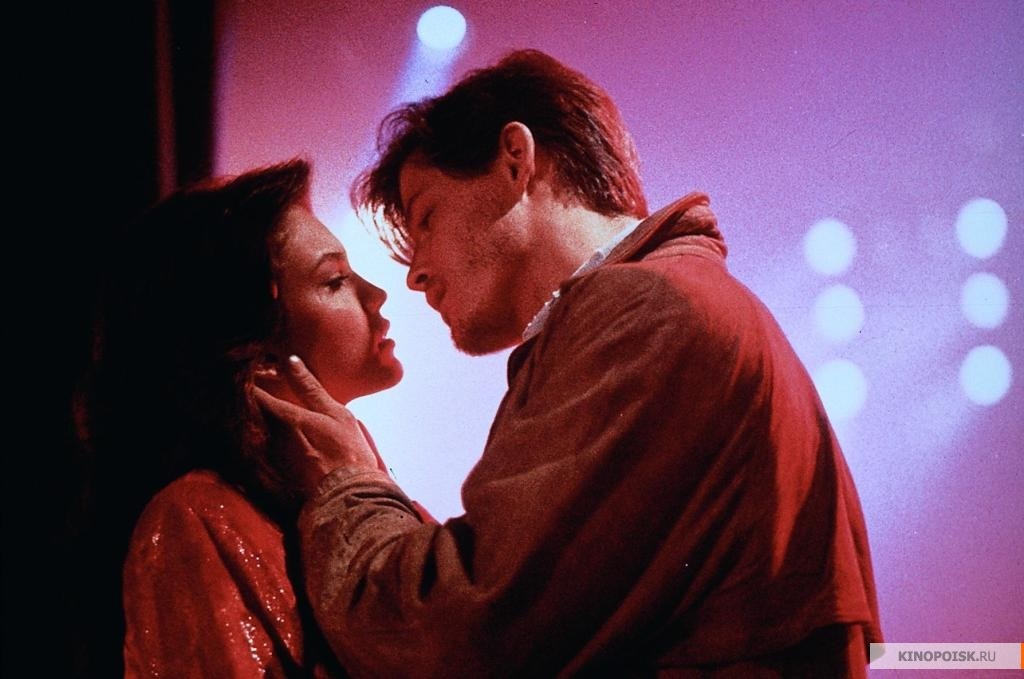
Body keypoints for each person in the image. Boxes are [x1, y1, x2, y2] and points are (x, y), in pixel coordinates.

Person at [259, 50, 882, 676]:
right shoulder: (671, 300)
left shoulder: (642, 310)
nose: (415, 274)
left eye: (427, 217)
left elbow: (468, 630)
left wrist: (347, 483)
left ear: (515, 160)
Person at [79, 159, 410, 677]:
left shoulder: (350, 487)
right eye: (335, 280)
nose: (376, 295)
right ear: (260, 355)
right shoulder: (196, 516)